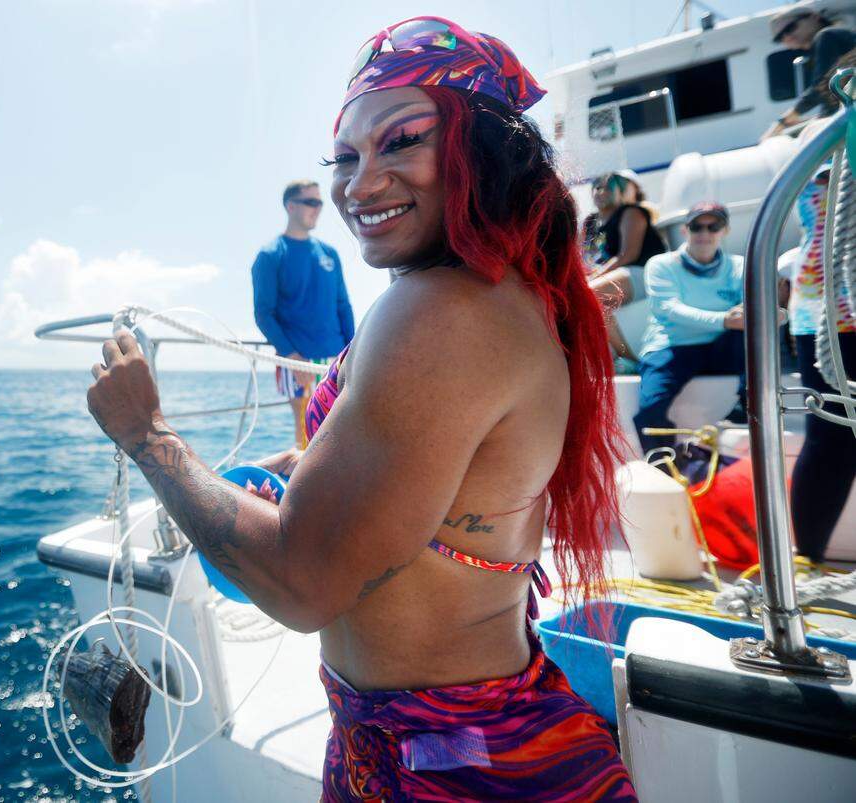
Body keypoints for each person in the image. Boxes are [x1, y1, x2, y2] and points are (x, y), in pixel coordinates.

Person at [87, 16, 635, 801]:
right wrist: (312, 462)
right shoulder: (494, 295)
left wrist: (146, 434)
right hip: (462, 732)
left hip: (448, 764)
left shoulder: (441, 313)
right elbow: (439, 475)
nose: (359, 183)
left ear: (479, 149)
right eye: (345, 157)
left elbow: (302, 583)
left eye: (401, 142)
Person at [786, 137, 856, 564]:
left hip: (828, 309)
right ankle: (807, 559)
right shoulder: (830, 133)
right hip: (833, 312)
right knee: (832, 439)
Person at [633, 202, 748, 454]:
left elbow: (758, 310)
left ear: (725, 230)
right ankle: (664, 467)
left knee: (750, 336)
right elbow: (669, 309)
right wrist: (725, 320)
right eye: (697, 226)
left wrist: (768, 313)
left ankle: (746, 410)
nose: (704, 233)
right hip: (671, 347)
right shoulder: (660, 264)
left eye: (713, 226)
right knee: (649, 412)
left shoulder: (740, 266)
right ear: (685, 230)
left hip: (723, 347)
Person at [252, 180, 355, 448]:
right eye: (311, 202)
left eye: (319, 202)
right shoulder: (270, 255)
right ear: (291, 206)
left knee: (344, 431)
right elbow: (263, 313)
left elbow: (343, 306)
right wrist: (291, 356)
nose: (318, 208)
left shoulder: (329, 253)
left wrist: (353, 352)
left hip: (337, 359)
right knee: (308, 438)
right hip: (297, 361)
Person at [587, 171, 667, 362]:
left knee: (590, 295)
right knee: (583, 300)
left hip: (643, 272)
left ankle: (629, 359)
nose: (600, 192)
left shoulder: (631, 213)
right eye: (596, 187)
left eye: (608, 188)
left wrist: (591, 279)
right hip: (615, 275)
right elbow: (586, 260)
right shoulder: (590, 222)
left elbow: (627, 255)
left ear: (621, 192)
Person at [762, 6, 856, 140]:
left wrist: (783, 121)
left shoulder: (828, 36)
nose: (787, 37)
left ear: (814, 17)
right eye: (779, 38)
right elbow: (834, 96)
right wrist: (810, 120)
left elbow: (822, 86)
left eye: (789, 28)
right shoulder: (835, 39)